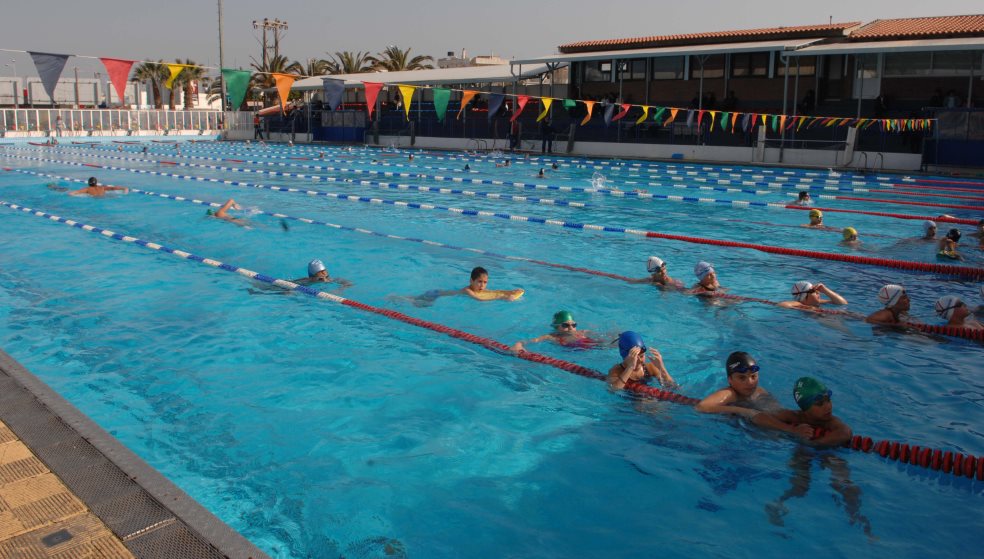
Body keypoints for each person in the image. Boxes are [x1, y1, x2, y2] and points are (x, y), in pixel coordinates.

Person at [760, 377, 853, 447]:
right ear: (805, 408)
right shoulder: (795, 416)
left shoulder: (830, 421)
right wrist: (791, 429)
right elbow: (760, 416)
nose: (828, 406)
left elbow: (846, 432)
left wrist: (814, 443)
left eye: (828, 400)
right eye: (820, 404)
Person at [695, 352, 786, 420]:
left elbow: (777, 412)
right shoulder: (729, 393)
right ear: (730, 380)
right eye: (742, 378)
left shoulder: (760, 392)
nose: (750, 382)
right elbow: (701, 407)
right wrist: (744, 411)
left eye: (753, 376)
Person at [408, 266, 524, 306]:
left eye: (485, 282)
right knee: (413, 301)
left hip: (438, 294)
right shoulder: (468, 290)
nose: (482, 285)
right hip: (435, 294)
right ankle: (400, 298)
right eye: (479, 281)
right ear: (471, 281)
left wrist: (511, 291)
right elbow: (479, 299)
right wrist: (502, 298)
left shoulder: (480, 289)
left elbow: (495, 291)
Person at [606, 331, 675, 390]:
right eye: (634, 357)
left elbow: (672, 387)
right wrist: (630, 367)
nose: (639, 360)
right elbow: (614, 389)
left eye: (642, 356)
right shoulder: (616, 371)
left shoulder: (650, 368)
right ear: (624, 356)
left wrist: (661, 368)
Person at [511, 310, 602, 352]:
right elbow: (530, 341)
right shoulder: (551, 337)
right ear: (556, 327)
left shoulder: (583, 332)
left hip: (596, 348)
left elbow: (602, 338)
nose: (571, 328)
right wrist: (518, 344)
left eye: (574, 325)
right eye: (565, 325)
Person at [779, 281, 848, 312]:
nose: (818, 292)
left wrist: (825, 290)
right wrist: (809, 308)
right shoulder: (799, 303)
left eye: (818, 290)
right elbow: (783, 305)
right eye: (813, 291)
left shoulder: (819, 302)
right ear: (803, 296)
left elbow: (843, 303)